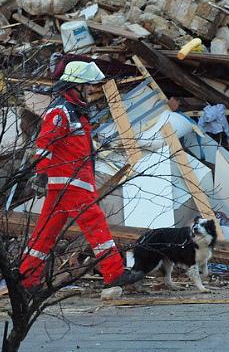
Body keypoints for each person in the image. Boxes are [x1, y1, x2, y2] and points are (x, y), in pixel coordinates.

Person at [20, 61, 143, 293]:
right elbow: (45, 142)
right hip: (70, 183)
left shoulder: (75, 112)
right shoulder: (62, 111)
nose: (90, 91)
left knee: (45, 234)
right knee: (96, 225)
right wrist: (41, 173)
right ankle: (114, 272)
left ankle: (27, 280)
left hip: (69, 183)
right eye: (87, 86)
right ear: (75, 86)